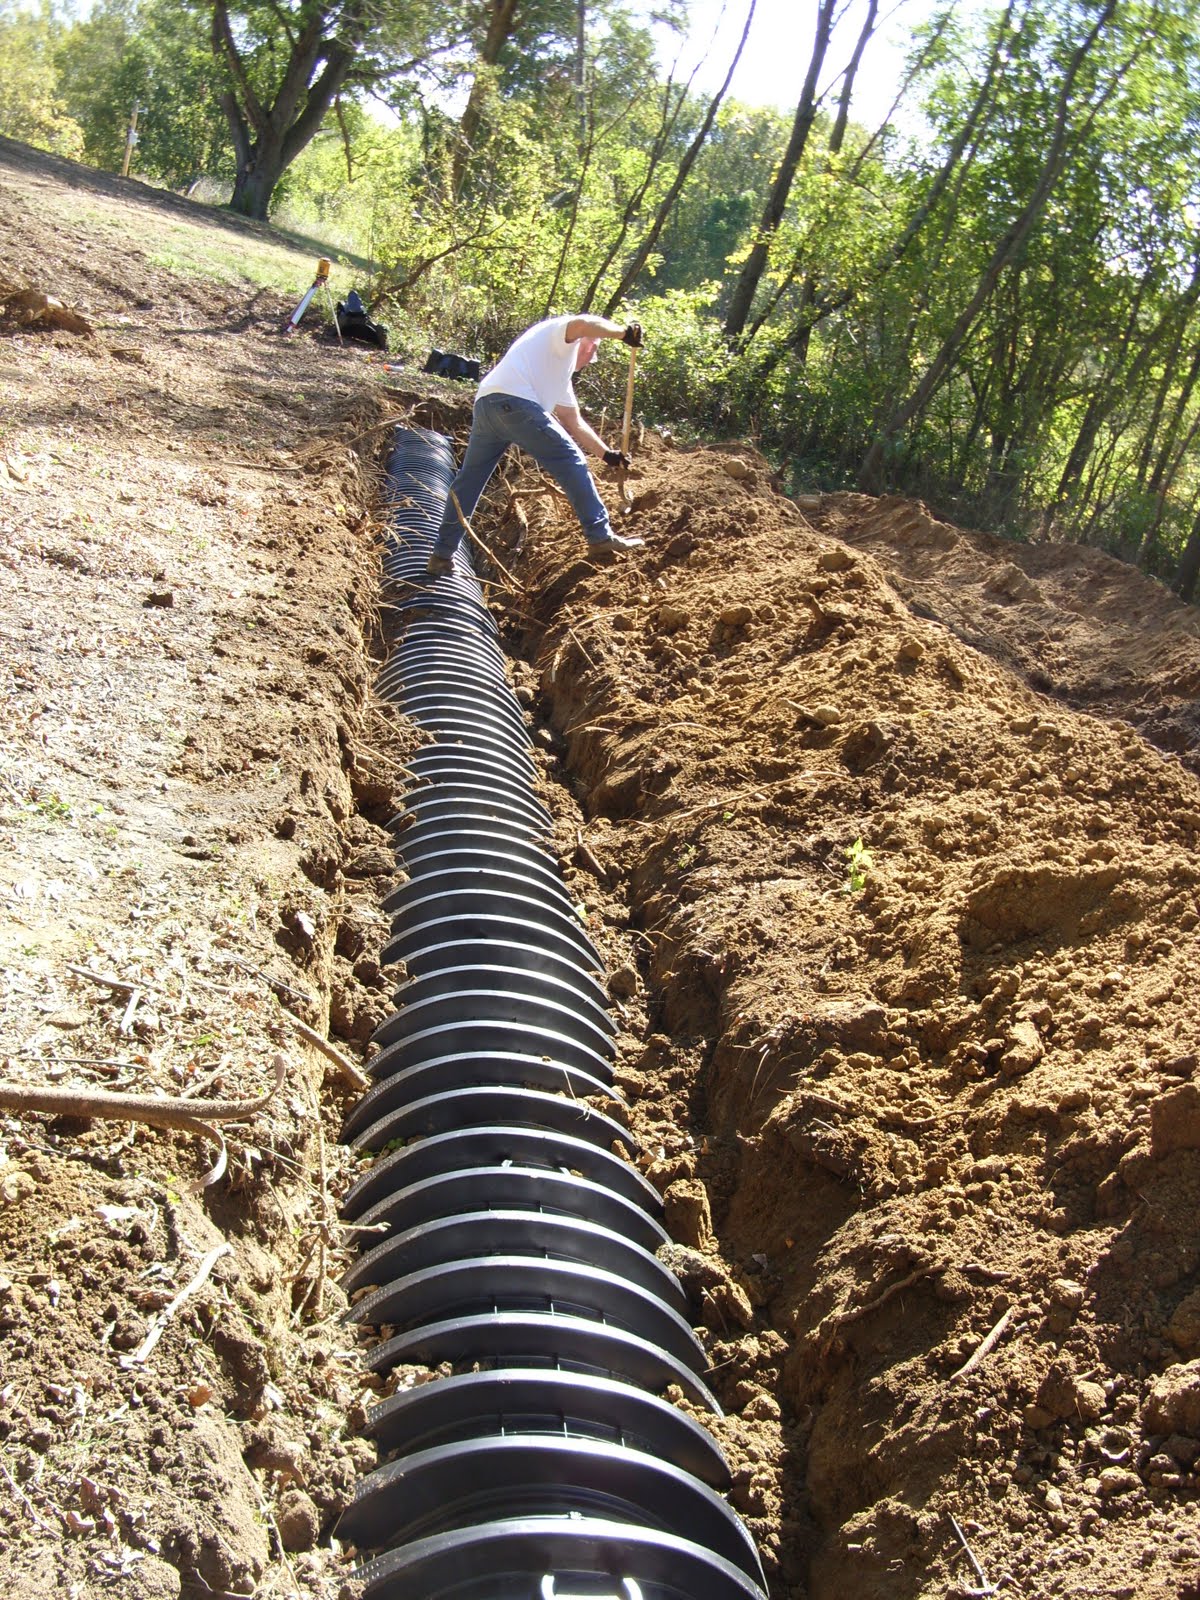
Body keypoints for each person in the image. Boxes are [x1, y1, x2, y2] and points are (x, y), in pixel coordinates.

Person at [424, 314, 645, 578]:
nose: (589, 360)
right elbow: (584, 323)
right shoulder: (561, 336)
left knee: (469, 481)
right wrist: (623, 333)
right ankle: (599, 535)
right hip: (514, 403)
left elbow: (573, 421)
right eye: (592, 351)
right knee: (570, 459)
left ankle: (441, 556)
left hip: (487, 405)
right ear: (588, 344)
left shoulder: (556, 372)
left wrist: (607, 455)